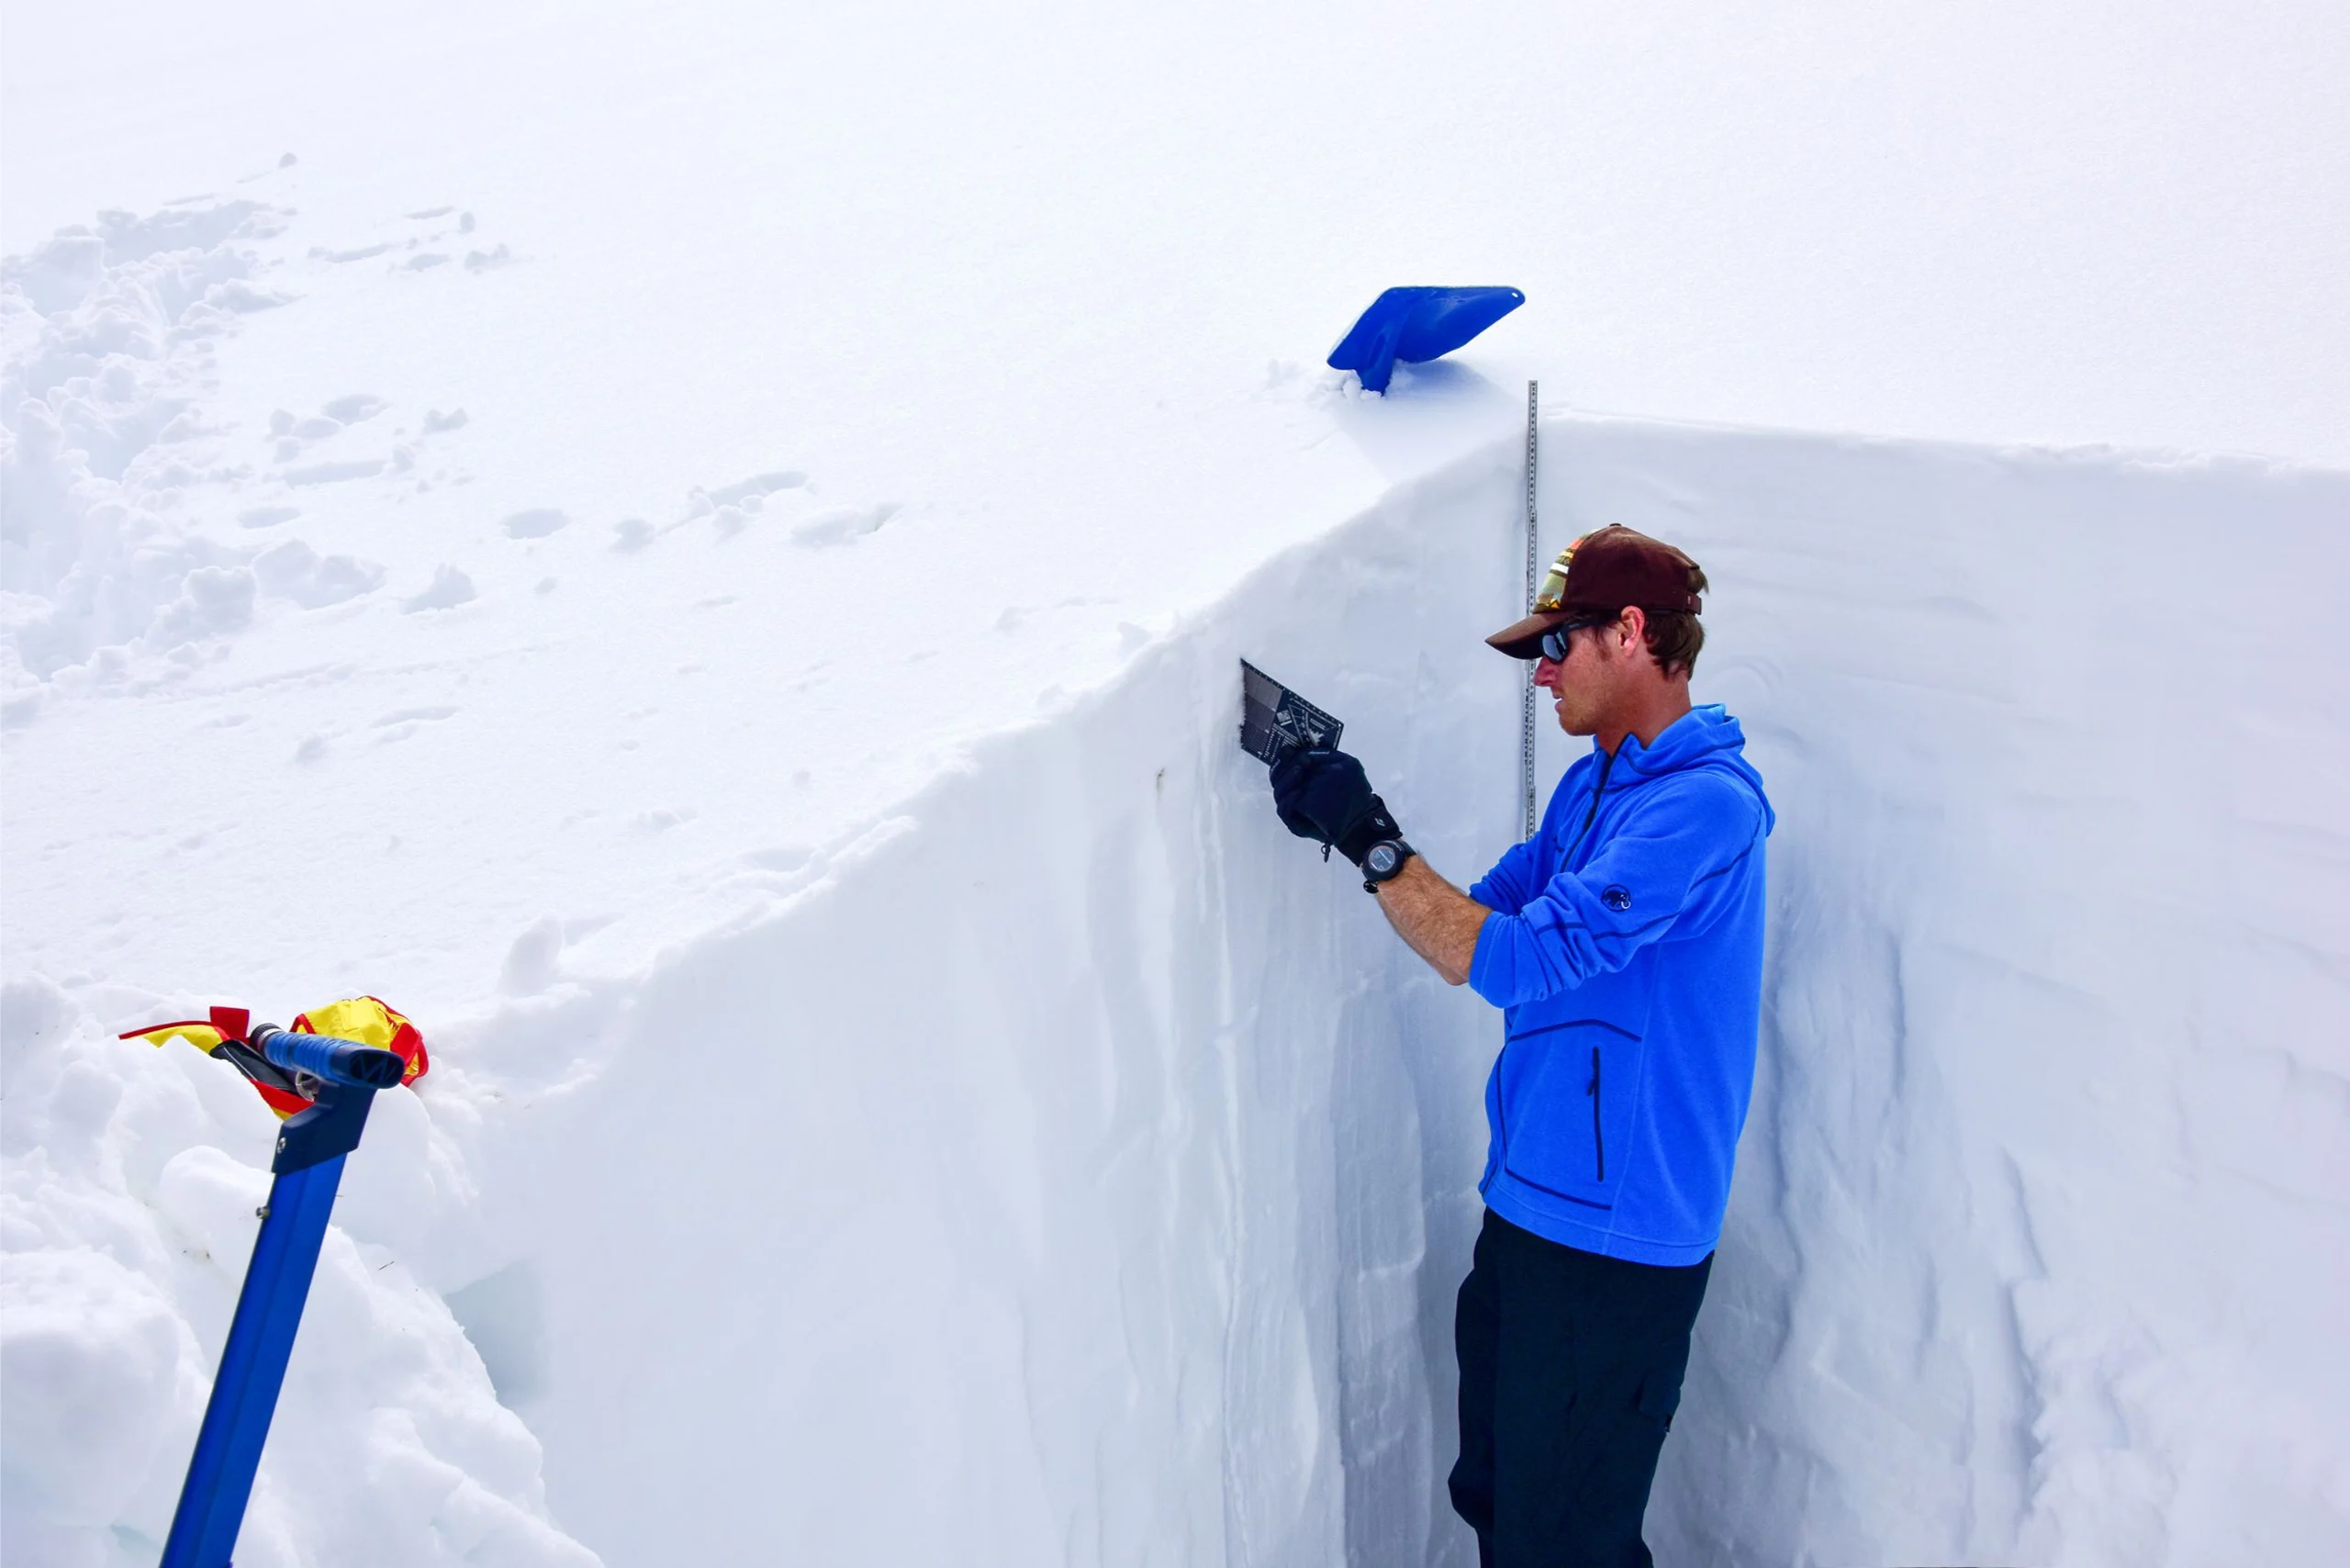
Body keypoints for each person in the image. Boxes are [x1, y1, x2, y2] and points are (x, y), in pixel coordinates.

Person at [1267, 524, 1774, 1567]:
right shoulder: (1592, 791)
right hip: (1533, 1208)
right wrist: (1359, 830)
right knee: (1500, 1495)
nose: (1541, 673)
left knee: (1566, 1540)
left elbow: (1514, 962)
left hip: (1617, 1241)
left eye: (1559, 644)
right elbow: (1479, 923)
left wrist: (1373, 839)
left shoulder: (1702, 810)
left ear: (1630, 633)